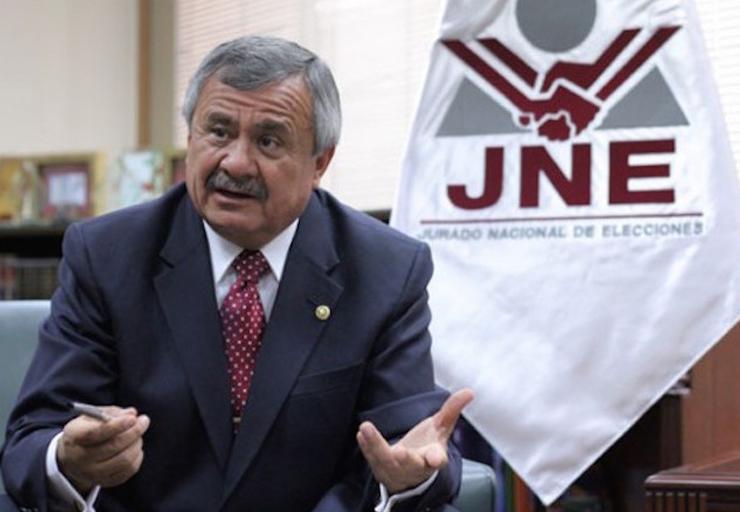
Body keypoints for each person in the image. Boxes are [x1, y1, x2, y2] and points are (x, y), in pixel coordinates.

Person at [0, 35, 473, 511]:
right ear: (191, 138)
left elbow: (410, 444)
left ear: (320, 162)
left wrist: (411, 476)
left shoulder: (386, 270)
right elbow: (30, 444)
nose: (236, 162)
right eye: (219, 132)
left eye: (268, 141)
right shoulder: (107, 255)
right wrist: (71, 459)